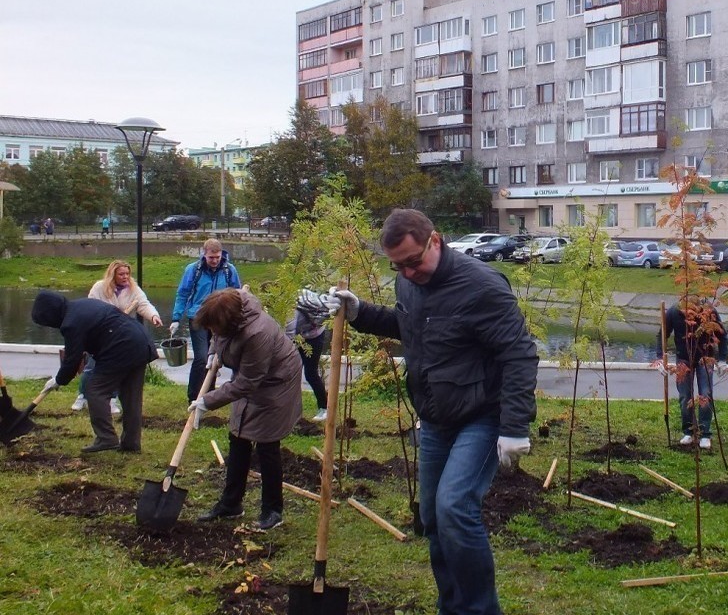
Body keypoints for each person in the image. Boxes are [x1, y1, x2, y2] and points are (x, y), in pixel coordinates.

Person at [301, 208, 538, 615]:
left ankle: (480, 610)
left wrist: (514, 426)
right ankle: (452, 606)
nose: (408, 273)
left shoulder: (481, 286)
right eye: (398, 266)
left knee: (454, 507)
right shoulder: (409, 283)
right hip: (435, 416)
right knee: (431, 516)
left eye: (414, 261)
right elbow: (408, 327)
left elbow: (519, 353)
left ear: (435, 240)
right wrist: (359, 312)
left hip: (483, 414)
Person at [189, 288, 302, 531]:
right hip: (252, 375)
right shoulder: (228, 311)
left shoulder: (257, 332)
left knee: (266, 442)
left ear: (231, 323)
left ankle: (273, 510)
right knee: (237, 435)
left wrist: (207, 402)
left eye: (215, 327)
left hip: (276, 381)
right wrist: (213, 354)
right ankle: (231, 504)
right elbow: (218, 335)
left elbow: (248, 382)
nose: (213, 332)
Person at [30, 290, 157, 454]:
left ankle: (106, 438)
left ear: (51, 316)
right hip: (140, 341)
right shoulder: (81, 305)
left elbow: (73, 359)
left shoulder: (71, 323)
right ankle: (130, 444)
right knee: (131, 395)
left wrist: (59, 380)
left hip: (122, 346)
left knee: (95, 389)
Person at [76, 260, 163, 414]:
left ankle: (112, 400)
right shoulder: (99, 288)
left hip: (120, 336)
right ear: (113, 274)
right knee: (92, 366)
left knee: (117, 367)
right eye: (121, 274)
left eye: (127, 274)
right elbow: (90, 307)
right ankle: (82, 396)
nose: (125, 277)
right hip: (101, 334)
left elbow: (144, 304)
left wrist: (153, 316)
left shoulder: (133, 289)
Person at [170, 238, 241, 402]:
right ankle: (194, 396)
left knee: (216, 358)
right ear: (204, 254)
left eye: (217, 257)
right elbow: (183, 294)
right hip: (198, 318)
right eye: (211, 257)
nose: (215, 261)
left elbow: (237, 294)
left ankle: (209, 396)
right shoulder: (193, 270)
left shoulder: (229, 270)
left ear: (221, 254)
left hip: (220, 319)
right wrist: (176, 318)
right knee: (202, 358)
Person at [653, 297, 728, 449]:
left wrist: (722, 359)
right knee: (684, 396)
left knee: (705, 394)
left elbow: (722, 334)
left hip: (705, 357)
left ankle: (705, 433)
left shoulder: (709, 311)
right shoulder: (674, 312)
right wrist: (660, 358)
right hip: (683, 358)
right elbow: (662, 335)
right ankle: (688, 431)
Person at [285, 304, 329, 422]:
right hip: (299, 334)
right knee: (290, 373)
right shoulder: (279, 304)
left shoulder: (289, 311)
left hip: (313, 335)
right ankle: (289, 410)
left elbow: (288, 339)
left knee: (310, 373)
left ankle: (324, 408)